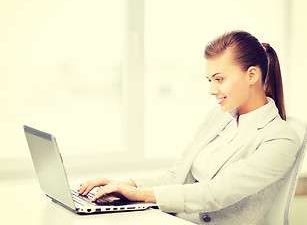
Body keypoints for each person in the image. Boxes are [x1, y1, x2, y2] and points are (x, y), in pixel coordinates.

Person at [78, 30, 300, 224]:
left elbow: (215, 193)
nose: (212, 90)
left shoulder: (280, 139)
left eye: (219, 79)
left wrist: (140, 195)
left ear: (252, 74)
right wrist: (127, 185)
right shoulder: (217, 117)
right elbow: (178, 176)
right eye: (209, 80)